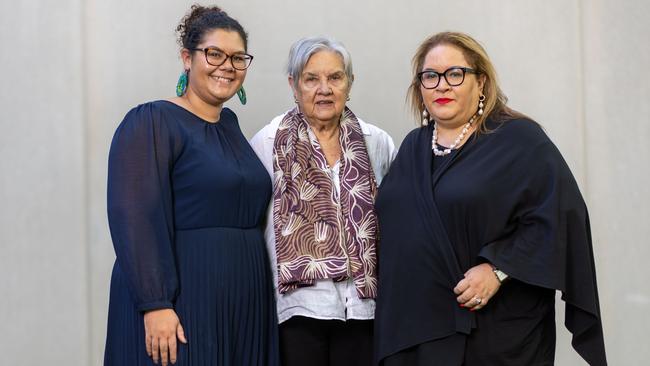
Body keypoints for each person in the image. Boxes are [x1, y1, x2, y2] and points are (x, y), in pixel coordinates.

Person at [373, 31, 607, 366]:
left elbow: (560, 217)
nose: (441, 85)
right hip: (414, 333)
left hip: (492, 335)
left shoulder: (518, 140)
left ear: (481, 82)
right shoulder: (413, 146)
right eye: (430, 76)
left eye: (455, 74)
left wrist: (498, 268)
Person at [104, 5, 279, 366]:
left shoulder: (229, 127)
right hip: (183, 298)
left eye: (237, 58)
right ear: (187, 57)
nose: (226, 66)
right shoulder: (152, 121)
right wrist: (156, 304)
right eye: (214, 54)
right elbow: (133, 216)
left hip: (240, 300)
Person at [250, 36, 396, 366]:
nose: (324, 89)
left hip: (364, 306)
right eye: (311, 78)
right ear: (294, 84)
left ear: (350, 82)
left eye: (335, 77)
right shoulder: (268, 142)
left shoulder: (377, 143)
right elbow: (252, 223)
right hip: (297, 308)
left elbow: (399, 219)